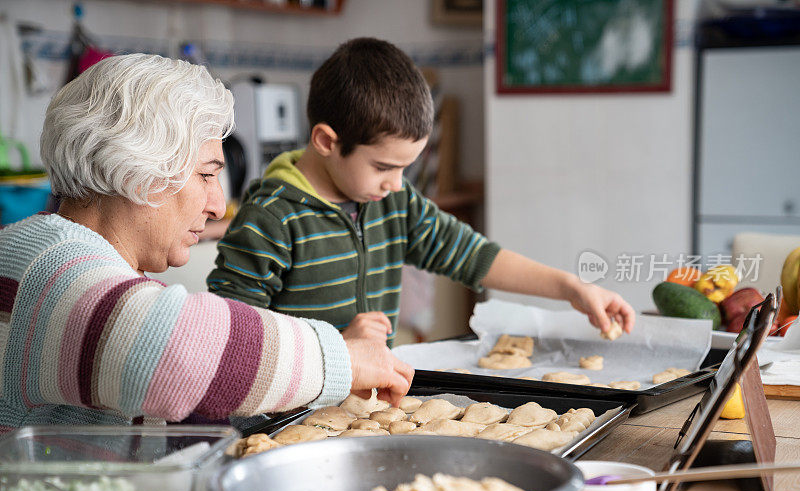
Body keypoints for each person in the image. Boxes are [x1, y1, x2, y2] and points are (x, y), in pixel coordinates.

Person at [0, 53, 413, 432]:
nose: (218, 205)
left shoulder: (71, 257)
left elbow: (179, 405)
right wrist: (340, 358)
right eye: (205, 175)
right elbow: (173, 352)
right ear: (135, 170)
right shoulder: (50, 268)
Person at [208, 37, 635, 347]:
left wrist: (571, 288)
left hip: (368, 412)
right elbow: (230, 341)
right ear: (326, 141)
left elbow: (471, 254)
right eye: (382, 167)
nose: (396, 184)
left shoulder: (393, 202)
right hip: (288, 428)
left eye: (404, 168)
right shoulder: (270, 220)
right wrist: (335, 347)